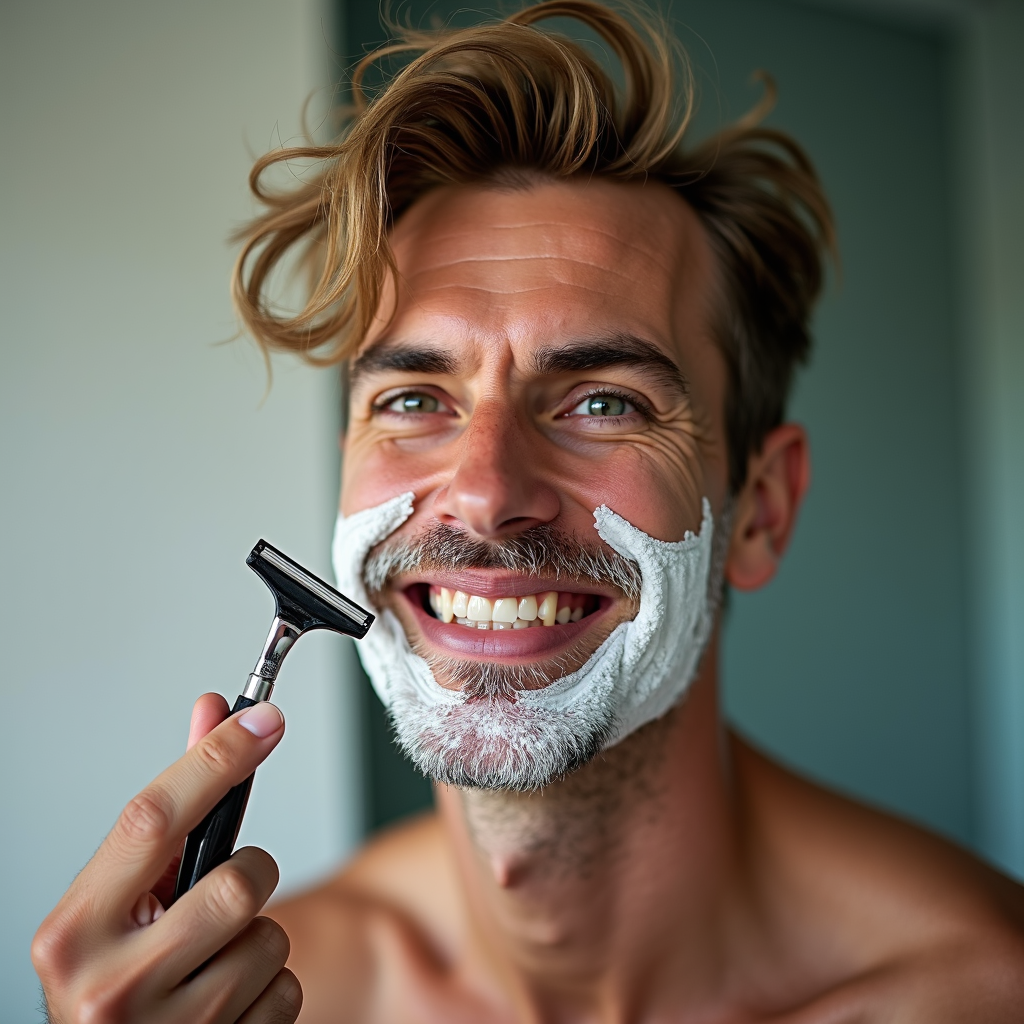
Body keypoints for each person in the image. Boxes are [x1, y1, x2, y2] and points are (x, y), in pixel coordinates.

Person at [32, 2, 1024, 1021]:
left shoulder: (985, 994)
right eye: (414, 400)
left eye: (603, 402)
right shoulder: (271, 1004)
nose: (484, 491)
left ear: (760, 510)